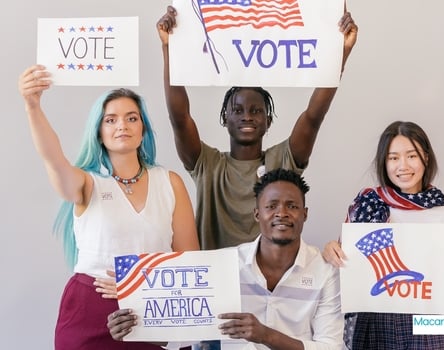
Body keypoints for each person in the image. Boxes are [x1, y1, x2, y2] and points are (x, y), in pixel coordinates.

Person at [18, 65, 200, 350]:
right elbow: (53, 159)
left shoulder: (170, 182)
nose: (122, 126)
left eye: (131, 118)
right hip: (89, 311)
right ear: (99, 132)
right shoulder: (86, 183)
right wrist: (32, 106)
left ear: (143, 130)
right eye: (110, 120)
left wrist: (138, 287)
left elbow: (191, 263)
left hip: (149, 311)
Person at [156, 5, 358, 250]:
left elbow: (314, 116)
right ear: (225, 119)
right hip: (219, 281)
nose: (247, 117)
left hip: (272, 282)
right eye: (238, 111)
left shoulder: (283, 160)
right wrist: (169, 47)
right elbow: (179, 118)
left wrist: (341, 53)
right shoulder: (208, 164)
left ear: (268, 121)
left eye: (256, 111)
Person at [107, 168, 344, 350]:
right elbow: (183, 330)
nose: (282, 213)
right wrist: (135, 325)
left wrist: (267, 335)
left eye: (292, 206)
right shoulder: (224, 265)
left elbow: (331, 347)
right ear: (257, 214)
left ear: (305, 214)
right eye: (271, 206)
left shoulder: (325, 271)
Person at [322, 121, 444, 350]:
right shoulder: (370, 205)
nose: (402, 165)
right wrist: (332, 251)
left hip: (427, 327)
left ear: (426, 158)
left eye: (411, 156)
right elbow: (346, 273)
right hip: (374, 323)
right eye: (393, 158)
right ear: (384, 162)